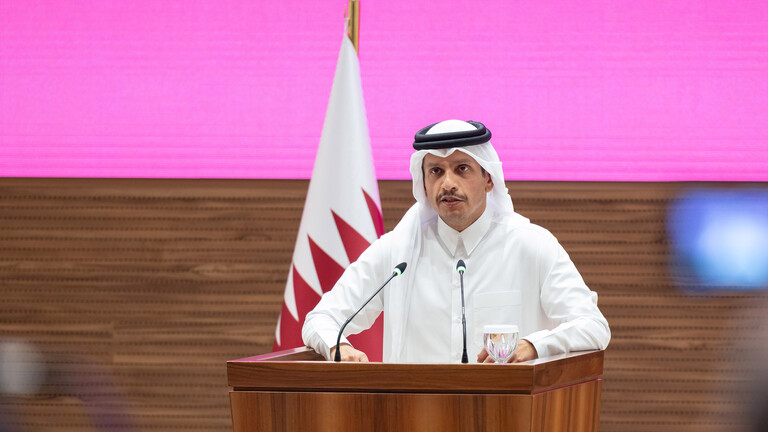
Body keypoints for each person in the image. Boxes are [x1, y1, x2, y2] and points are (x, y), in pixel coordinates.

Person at [302, 119, 610, 363]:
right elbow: (321, 319)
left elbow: (593, 327)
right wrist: (337, 346)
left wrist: (535, 345)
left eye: (462, 169)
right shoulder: (397, 253)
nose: (448, 183)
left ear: (488, 179)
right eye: (436, 171)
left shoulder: (532, 246)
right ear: (424, 184)